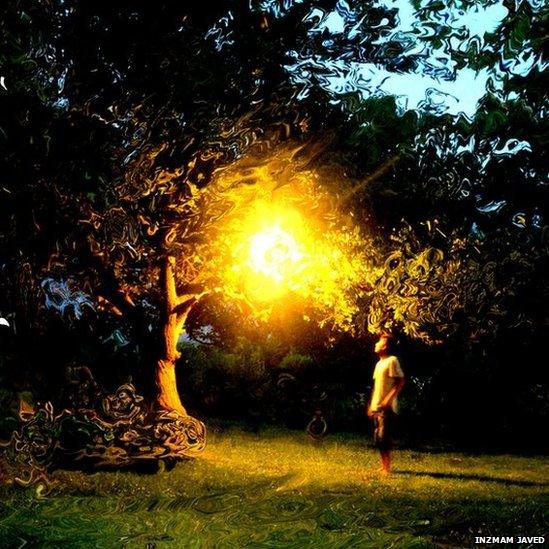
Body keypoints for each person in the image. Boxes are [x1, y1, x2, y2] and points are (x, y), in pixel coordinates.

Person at [367, 334, 405, 475]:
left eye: (379, 342)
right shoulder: (379, 364)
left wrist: (388, 399)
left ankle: (386, 468)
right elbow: (376, 387)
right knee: (378, 437)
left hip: (386, 408)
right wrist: (371, 405)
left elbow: (400, 381)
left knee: (384, 437)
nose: (376, 344)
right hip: (377, 406)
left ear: (385, 346)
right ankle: (383, 466)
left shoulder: (392, 361)